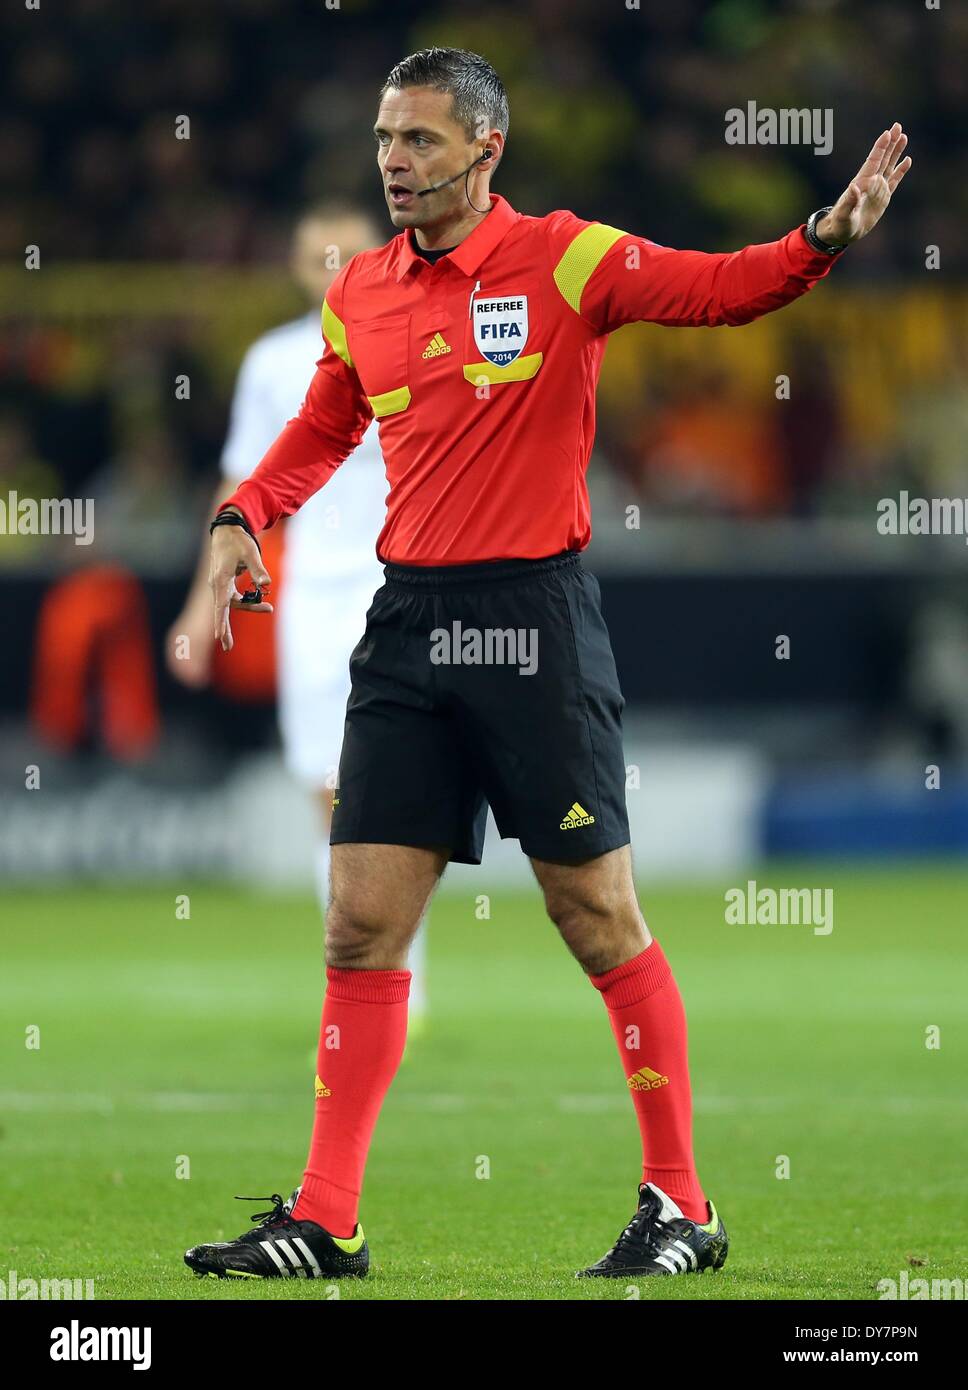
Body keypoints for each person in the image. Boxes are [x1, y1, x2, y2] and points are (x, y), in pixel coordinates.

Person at [184, 47, 911, 1282]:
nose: (394, 163)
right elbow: (321, 426)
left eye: (417, 141)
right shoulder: (358, 289)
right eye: (383, 141)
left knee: (593, 913)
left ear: (485, 150)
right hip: (406, 627)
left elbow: (715, 289)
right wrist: (243, 515)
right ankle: (325, 1217)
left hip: (532, 624)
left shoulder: (565, 257)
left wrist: (817, 239)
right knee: (361, 925)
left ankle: (681, 1204)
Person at [167, 204, 428, 1020]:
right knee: (328, 789)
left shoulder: (421, 342)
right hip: (312, 598)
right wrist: (197, 607)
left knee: (392, 787)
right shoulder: (274, 362)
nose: (331, 266)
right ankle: (365, 970)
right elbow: (239, 488)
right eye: (317, 254)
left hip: (402, 590)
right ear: (293, 264)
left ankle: (392, 976)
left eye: (347, 252)